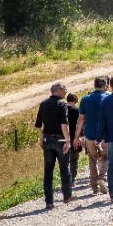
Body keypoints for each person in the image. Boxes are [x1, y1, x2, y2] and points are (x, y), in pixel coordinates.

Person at [34, 81, 73, 209]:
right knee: (64, 169)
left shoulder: (44, 104)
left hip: (47, 140)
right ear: (58, 90)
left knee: (48, 171)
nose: (66, 92)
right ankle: (67, 196)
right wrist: (68, 140)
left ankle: (49, 201)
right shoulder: (62, 104)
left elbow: (38, 124)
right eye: (64, 89)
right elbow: (64, 124)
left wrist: (41, 138)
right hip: (60, 140)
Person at [74, 76, 109, 195]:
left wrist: (77, 135)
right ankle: (102, 177)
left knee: (92, 160)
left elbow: (81, 119)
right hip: (104, 135)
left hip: (89, 134)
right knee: (105, 157)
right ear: (105, 85)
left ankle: (94, 187)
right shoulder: (107, 97)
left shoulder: (85, 99)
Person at [65, 92, 81, 185]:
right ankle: (72, 178)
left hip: (64, 138)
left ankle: (66, 178)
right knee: (74, 160)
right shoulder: (77, 111)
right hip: (75, 137)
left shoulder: (62, 110)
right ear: (75, 100)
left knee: (65, 160)